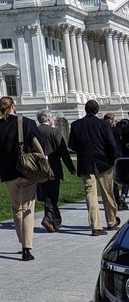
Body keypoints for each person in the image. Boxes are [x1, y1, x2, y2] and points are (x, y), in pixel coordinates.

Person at [0, 95, 45, 260]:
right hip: (27, 171)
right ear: (13, 106)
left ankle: (22, 241)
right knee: (27, 207)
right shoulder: (26, 122)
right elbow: (39, 143)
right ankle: (26, 247)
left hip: (8, 172)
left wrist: (4, 159)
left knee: (16, 208)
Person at [69, 99, 120, 237]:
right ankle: (111, 221)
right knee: (108, 193)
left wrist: (83, 149)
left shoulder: (76, 125)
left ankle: (96, 226)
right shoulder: (103, 124)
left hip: (86, 163)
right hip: (103, 163)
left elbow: (71, 145)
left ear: (85, 110)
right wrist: (112, 159)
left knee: (90, 195)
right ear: (97, 110)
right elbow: (112, 144)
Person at [34, 111, 75, 232]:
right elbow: (63, 151)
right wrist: (71, 167)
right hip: (53, 168)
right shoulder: (54, 132)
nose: (52, 119)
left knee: (48, 193)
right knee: (52, 194)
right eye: (51, 117)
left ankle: (56, 220)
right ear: (48, 118)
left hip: (39, 168)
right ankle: (47, 218)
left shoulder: (35, 131)